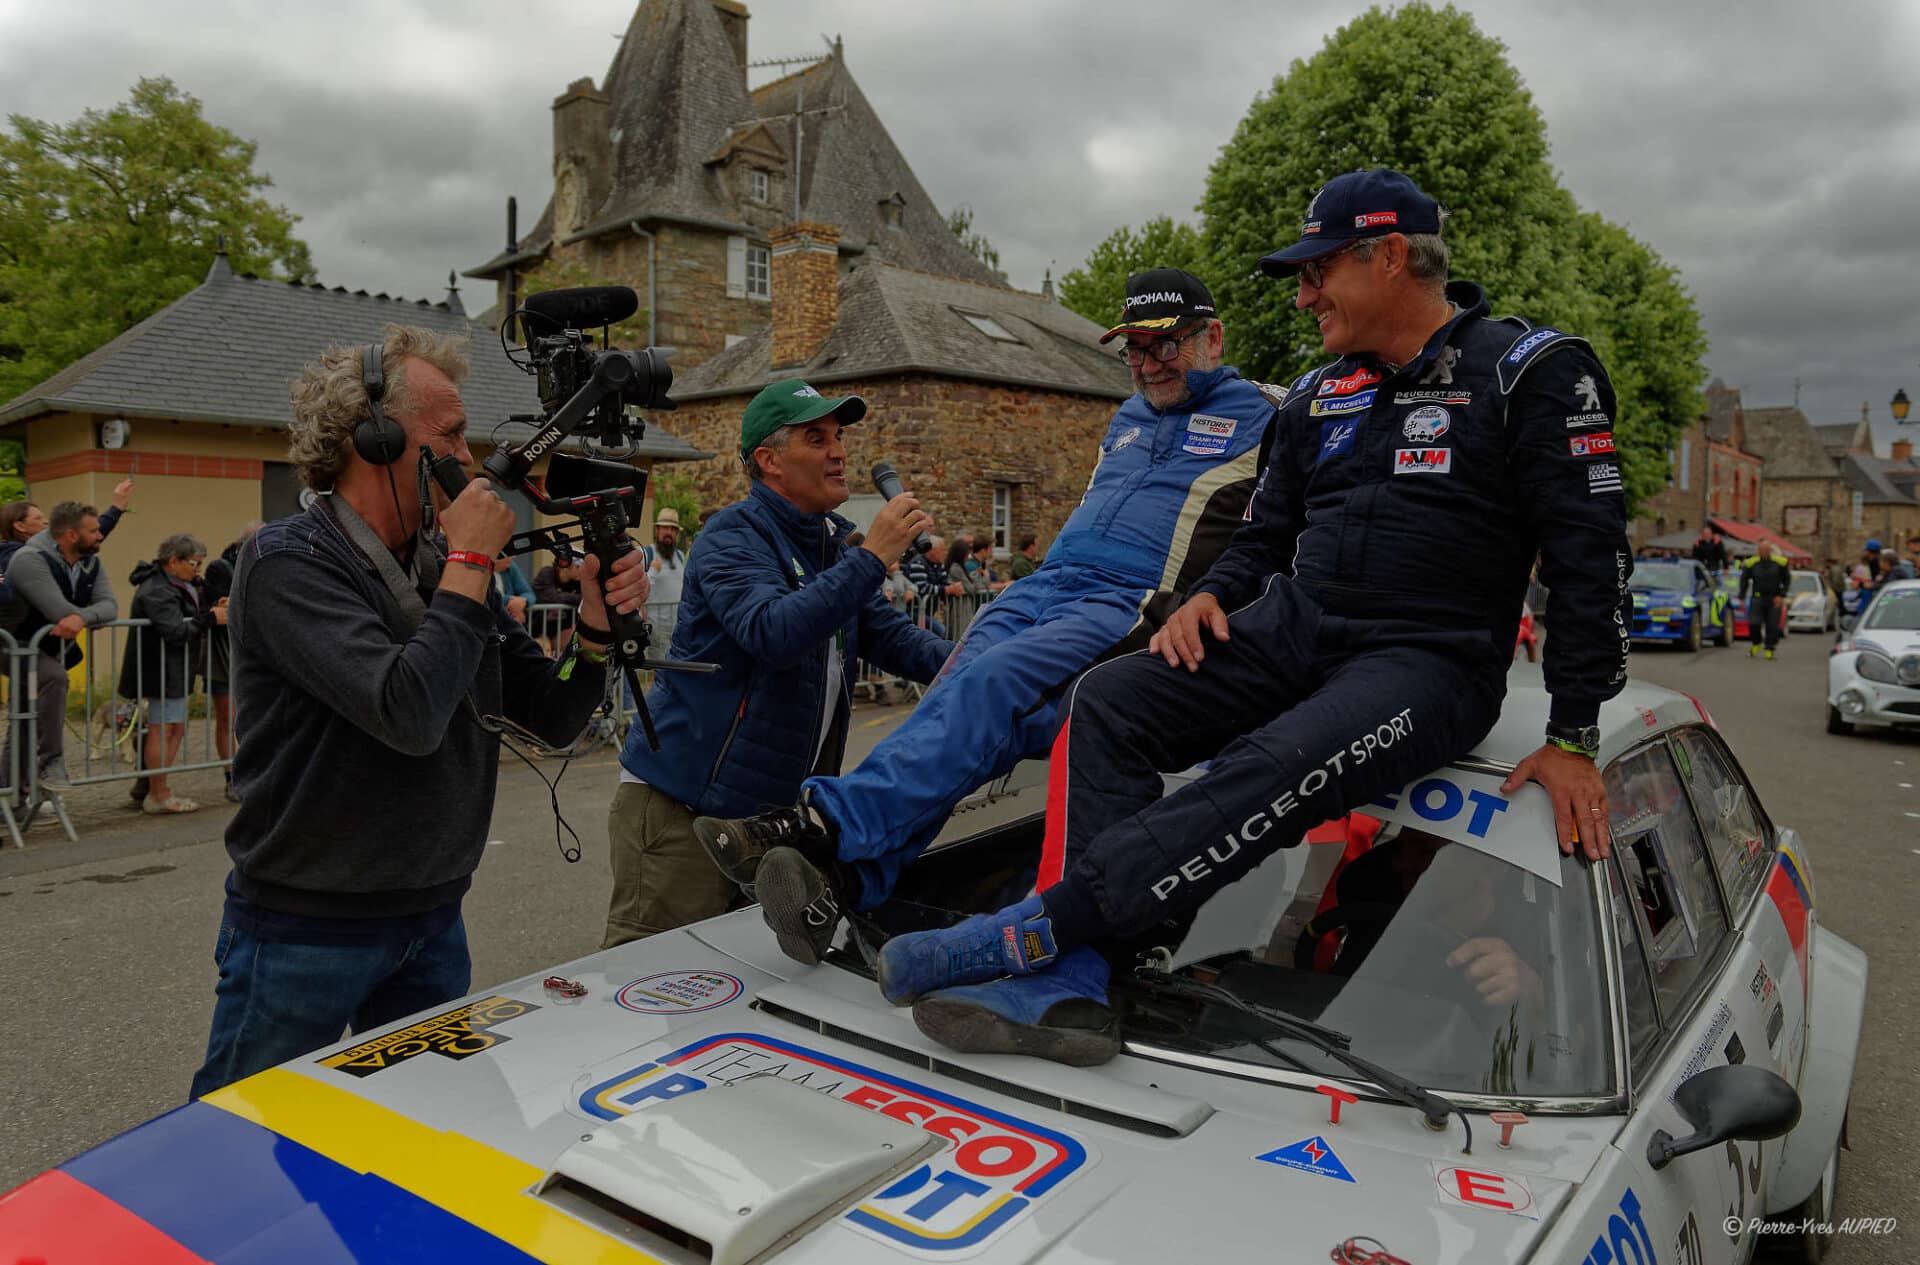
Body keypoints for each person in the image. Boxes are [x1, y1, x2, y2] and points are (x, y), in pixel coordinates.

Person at [870, 170, 1629, 1065]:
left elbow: (1590, 560)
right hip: (1300, 626)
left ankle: (1035, 934)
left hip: (1430, 657)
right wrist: (1207, 596)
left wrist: (1573, 731)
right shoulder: (1315, 394)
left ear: (1388, 256)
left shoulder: (1532, 369)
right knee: (1109, 697)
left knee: (1268, 762)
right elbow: (1265, 537)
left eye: (1317, 271)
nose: (1303, 296)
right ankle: (1075, 985)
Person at [692, 267, 1282, 968]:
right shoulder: (1126, 416)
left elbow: (1295, 521)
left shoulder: (1269, 413)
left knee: (994, 684)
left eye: (1166, 346)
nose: (1148, 365)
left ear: (1212, 337)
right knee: (955, 684)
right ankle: (853, 878)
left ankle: (820, 827)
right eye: (1134, 349)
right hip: (1047, 583)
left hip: (1124, 602)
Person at [189, 326, 636, 1098]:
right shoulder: (289, 560)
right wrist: (469, 562)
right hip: (305, 929)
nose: (471, 458)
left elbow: (555, 711)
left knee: (433, 1138)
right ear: (376, 435)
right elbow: (408, 710)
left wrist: (594, 625)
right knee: (237, 1148)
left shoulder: (440, 563)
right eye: (452, 435)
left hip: (431, 919)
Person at [599, 378, 949, 948]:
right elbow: (773, 632)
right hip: (683, 813)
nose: (839, 451)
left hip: (766, 825)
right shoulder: (730, 536)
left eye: (838, 436)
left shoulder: (833, 545)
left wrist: (993, 664)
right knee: (656, 992)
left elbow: (901, 642)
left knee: (744, 998)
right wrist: (872, 557)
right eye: (817, 438)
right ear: (769, 461)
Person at [3, 501, 118, 807]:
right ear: (70, 535)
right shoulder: (29, 560)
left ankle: (12, 798)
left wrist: (81, 618)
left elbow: (110, 607)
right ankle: (50, 761)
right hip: (13, 648)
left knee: (24, 719)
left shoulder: (89, 560)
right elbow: (58, 611)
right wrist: (83, 615)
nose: (100, 536)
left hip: (41, 650)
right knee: (53, 679)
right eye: (93, 531)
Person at [118, 534, 225, 814]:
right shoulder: (157, 589)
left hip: (174, 669)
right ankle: (158, 794)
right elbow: (175, 631)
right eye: (194, 564)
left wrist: (211, 608)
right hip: (162, 669)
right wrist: (211, 619)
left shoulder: (178, 583)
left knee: (174, 728)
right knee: (164, 729)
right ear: (173, 561)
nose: (198, 570)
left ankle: (156, 789)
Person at [647, 506, 686, 654]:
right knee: (658, 672)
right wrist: (652, 571)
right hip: (655, 632)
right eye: (665, 528)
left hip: (677, 630)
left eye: (673, 529)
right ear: (657, 530)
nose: (669, 533)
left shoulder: (681, 556)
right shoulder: (647, 553)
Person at [1741, 546, 1790, 659]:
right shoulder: (1751, 563)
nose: (1764, 552)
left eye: (1766, 550)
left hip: (1774, 599)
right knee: (1754, 623)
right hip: (1757, 598)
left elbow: (1787, 580)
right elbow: (1744, 580)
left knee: (1772, 625)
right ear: (1758, 551)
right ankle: (1757, 643)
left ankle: (1769, 649)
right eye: (1761, 550)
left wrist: (1781, 595)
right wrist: (1742, 596)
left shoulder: (1780, 563)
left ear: (1770, 551)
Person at [490, 553, 535, 624]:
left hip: (507, 619)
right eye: (508, 554)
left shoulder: (510, 567)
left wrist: (523, 602)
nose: (512, 557)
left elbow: (529, 594)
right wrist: (511, 603)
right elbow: (487, 597)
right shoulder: (481, 569)